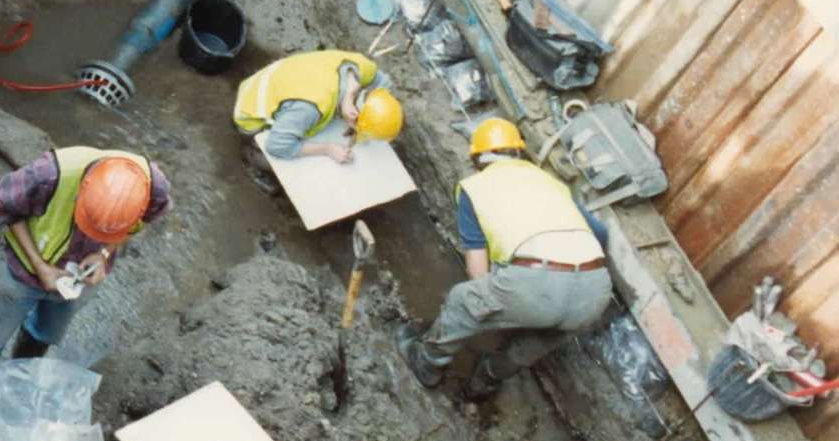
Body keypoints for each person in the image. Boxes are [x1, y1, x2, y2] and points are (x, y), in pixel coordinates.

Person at [0, 147, 171, 441]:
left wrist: (103, 253)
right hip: (24, 272)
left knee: (45, 333)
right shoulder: (49, 174)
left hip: (80, 278)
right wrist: (40, 266)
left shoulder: (154, 188)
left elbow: (141, 224)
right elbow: (7, 209)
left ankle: (17, 381)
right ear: (83, 188)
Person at [396, 118, 613, 401]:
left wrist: (485, 303)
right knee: (541, 339)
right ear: (518, 153)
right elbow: (600, 233)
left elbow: (477, 263)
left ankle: (427, 362)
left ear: (478, 158)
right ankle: (486, 379)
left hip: (538, 281)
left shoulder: (475, 187)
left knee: (463, 300)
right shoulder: (550, 181)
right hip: (596, 290)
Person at [233, 48, 403, 166]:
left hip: (283, 78)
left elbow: (383, 83)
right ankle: (251, 159)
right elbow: (277, 146)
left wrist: (360, 118)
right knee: (272, 158)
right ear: (353, 113)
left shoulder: (362, 66)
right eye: (357, 128)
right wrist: (327, 149)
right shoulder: (312, 107)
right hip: (249, 109)